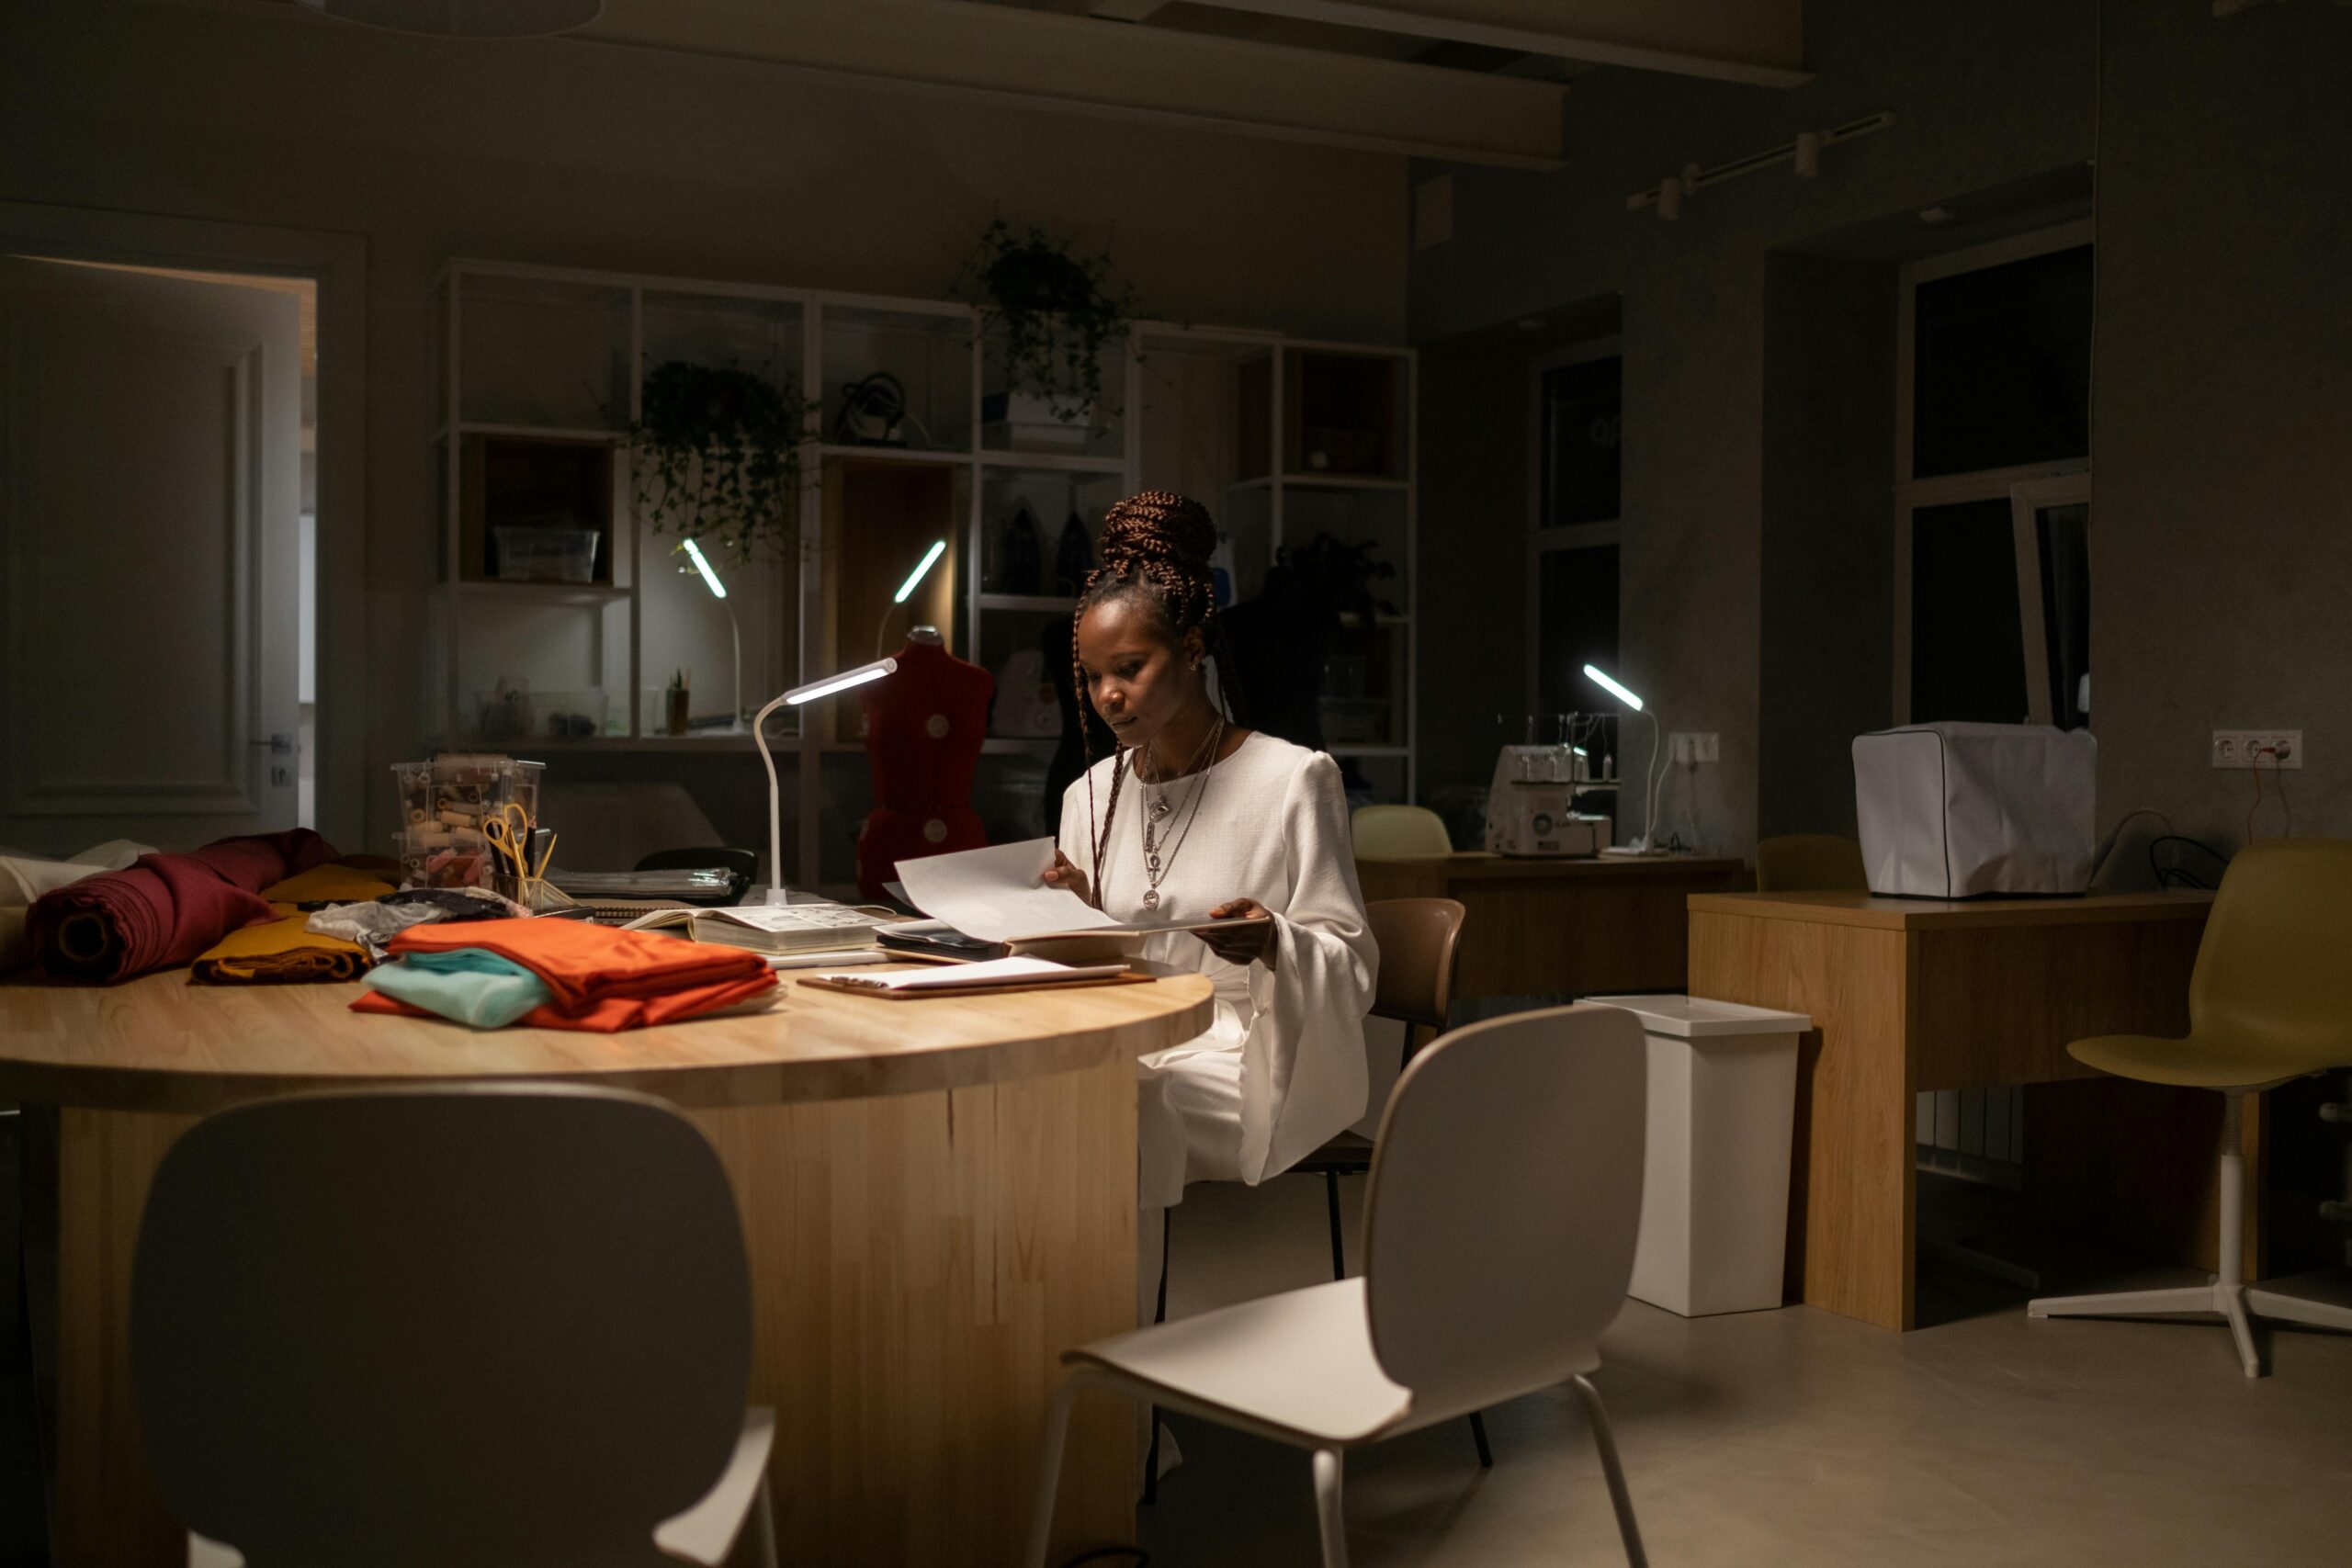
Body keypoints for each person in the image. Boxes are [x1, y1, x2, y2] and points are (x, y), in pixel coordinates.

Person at [1045, 491, 1377, 1234]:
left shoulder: (1294, 779)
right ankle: (1053, 1318)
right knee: (1028, 1094)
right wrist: (1069, 911)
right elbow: (1105, 962)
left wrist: (1273, 942)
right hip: (1127, 1037)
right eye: (1093, 675)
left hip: (1246, 1046)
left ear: (1192, 649)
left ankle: (1123, 1327)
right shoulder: (1089, 796)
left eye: (1130, 667)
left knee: (1111, 1106)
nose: (1109, 696)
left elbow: (1353, 963)